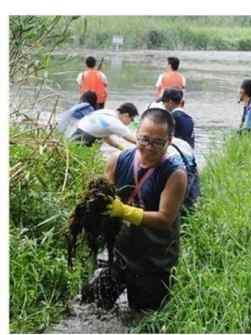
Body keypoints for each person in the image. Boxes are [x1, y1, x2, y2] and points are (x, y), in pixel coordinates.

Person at [87, 108, 189, 311]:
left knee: (143, 316)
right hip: (121, 252)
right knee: (93, 301)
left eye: (157, 142)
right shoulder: (118, 160)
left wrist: (124, 211)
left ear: (169, 141)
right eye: (144, 139)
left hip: (155, 260)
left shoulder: (176, 174)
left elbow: (164, 218)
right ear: (136, 135)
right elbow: (102, 199)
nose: (149, 147)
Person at [69, 102, 138, 149]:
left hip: (79, 131)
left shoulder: (108, 112)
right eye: (131, 120)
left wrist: (121, 148)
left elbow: (106, 137)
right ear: (126, 115)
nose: (130, 122)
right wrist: (145, 145)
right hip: (86, 137)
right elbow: (131, 138)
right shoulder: (115, 122)